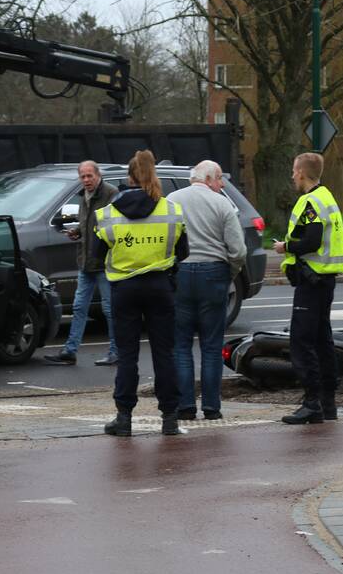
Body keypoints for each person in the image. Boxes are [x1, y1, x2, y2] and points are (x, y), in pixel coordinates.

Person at [93, 149, 188, 436]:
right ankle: (170, 419)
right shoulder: (171, 210)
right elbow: (182, 252)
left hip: (125, 288)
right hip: (160, 286)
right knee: (164, 353)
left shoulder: (108, 213)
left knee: (127, 355)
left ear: (129, 177)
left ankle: (124, 418)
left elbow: (97, 256)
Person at [168, 160, 247, 421]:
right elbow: (237, 250)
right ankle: (212, 407)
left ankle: (186, 406)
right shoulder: (222, 203)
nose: (222, 184)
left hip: (180, 273)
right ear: (210, 178)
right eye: (220, 179)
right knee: (212, 346)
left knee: (180, 345)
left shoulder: (171, 200)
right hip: (213, 273)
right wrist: (229, 273)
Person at [273, 152, 343, 424]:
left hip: (312, 280)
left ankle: (312, 403)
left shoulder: (310, 202)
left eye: (294, 171)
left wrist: (285, 247)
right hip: (324, 280)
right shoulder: (327, 197)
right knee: (322, 340)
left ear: (302, 173)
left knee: (301, 341)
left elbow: (312, 240)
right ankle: (328, 402)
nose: (292, 175)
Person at [44, 161, 119, 366]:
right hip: (86, 262)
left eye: (89, 176)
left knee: (109, 309)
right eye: (83, 176)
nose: (86, 180)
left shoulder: (111, 194)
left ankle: (116, 350)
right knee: (78, 307)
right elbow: (90, 224)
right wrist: (78, 231)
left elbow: (114, 226)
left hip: (104, 263)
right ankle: (70, 350)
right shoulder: (83, 197)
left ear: (98, 175)